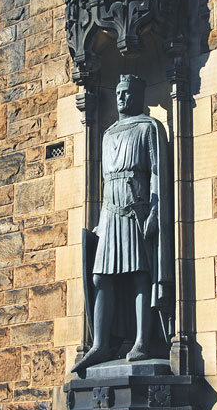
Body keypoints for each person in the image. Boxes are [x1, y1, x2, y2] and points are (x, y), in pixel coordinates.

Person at [72, 74, 174, 373]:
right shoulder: (107, 133)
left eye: (127, 93)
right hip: (111, 213)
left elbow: (156, 173)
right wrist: (101, 223)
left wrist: (155, 211)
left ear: (139, 95)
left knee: (140, 275)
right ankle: (100, 344)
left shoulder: (148, 127)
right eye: (118, 93)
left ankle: (143, 340)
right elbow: (104, 181)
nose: (121, 98)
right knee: (101, 278)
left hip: (136, 210)